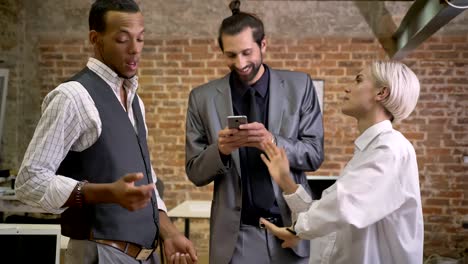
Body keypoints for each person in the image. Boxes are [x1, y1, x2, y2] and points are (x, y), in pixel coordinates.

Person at [15, 1, 197, 263]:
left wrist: (168, 233)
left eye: (141, 39)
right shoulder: (73, 97)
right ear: (95, 39)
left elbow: (148, 182)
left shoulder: (135, 101)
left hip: (146, 256)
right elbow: (30, 182)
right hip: (100, 253)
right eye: (123, 39)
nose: (135, 49)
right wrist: (105, 193)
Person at [184, 1, 324, 263]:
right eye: (231, 55)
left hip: (291, 232)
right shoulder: (201, 98)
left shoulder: (300, 85)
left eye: (247, 52)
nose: (240, 63)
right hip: (237, 240)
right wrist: (221, 151)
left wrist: (270, 140)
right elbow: (194, 172)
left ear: (264, 45)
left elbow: (314, 155)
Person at [259, 60, 424, 264]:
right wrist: (285, 180)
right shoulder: (371, 150)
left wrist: (297, 230)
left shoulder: (390, 148)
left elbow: (344, 206)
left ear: (382, 93)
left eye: (359, 80)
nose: (348, 87)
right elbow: (330, 215)